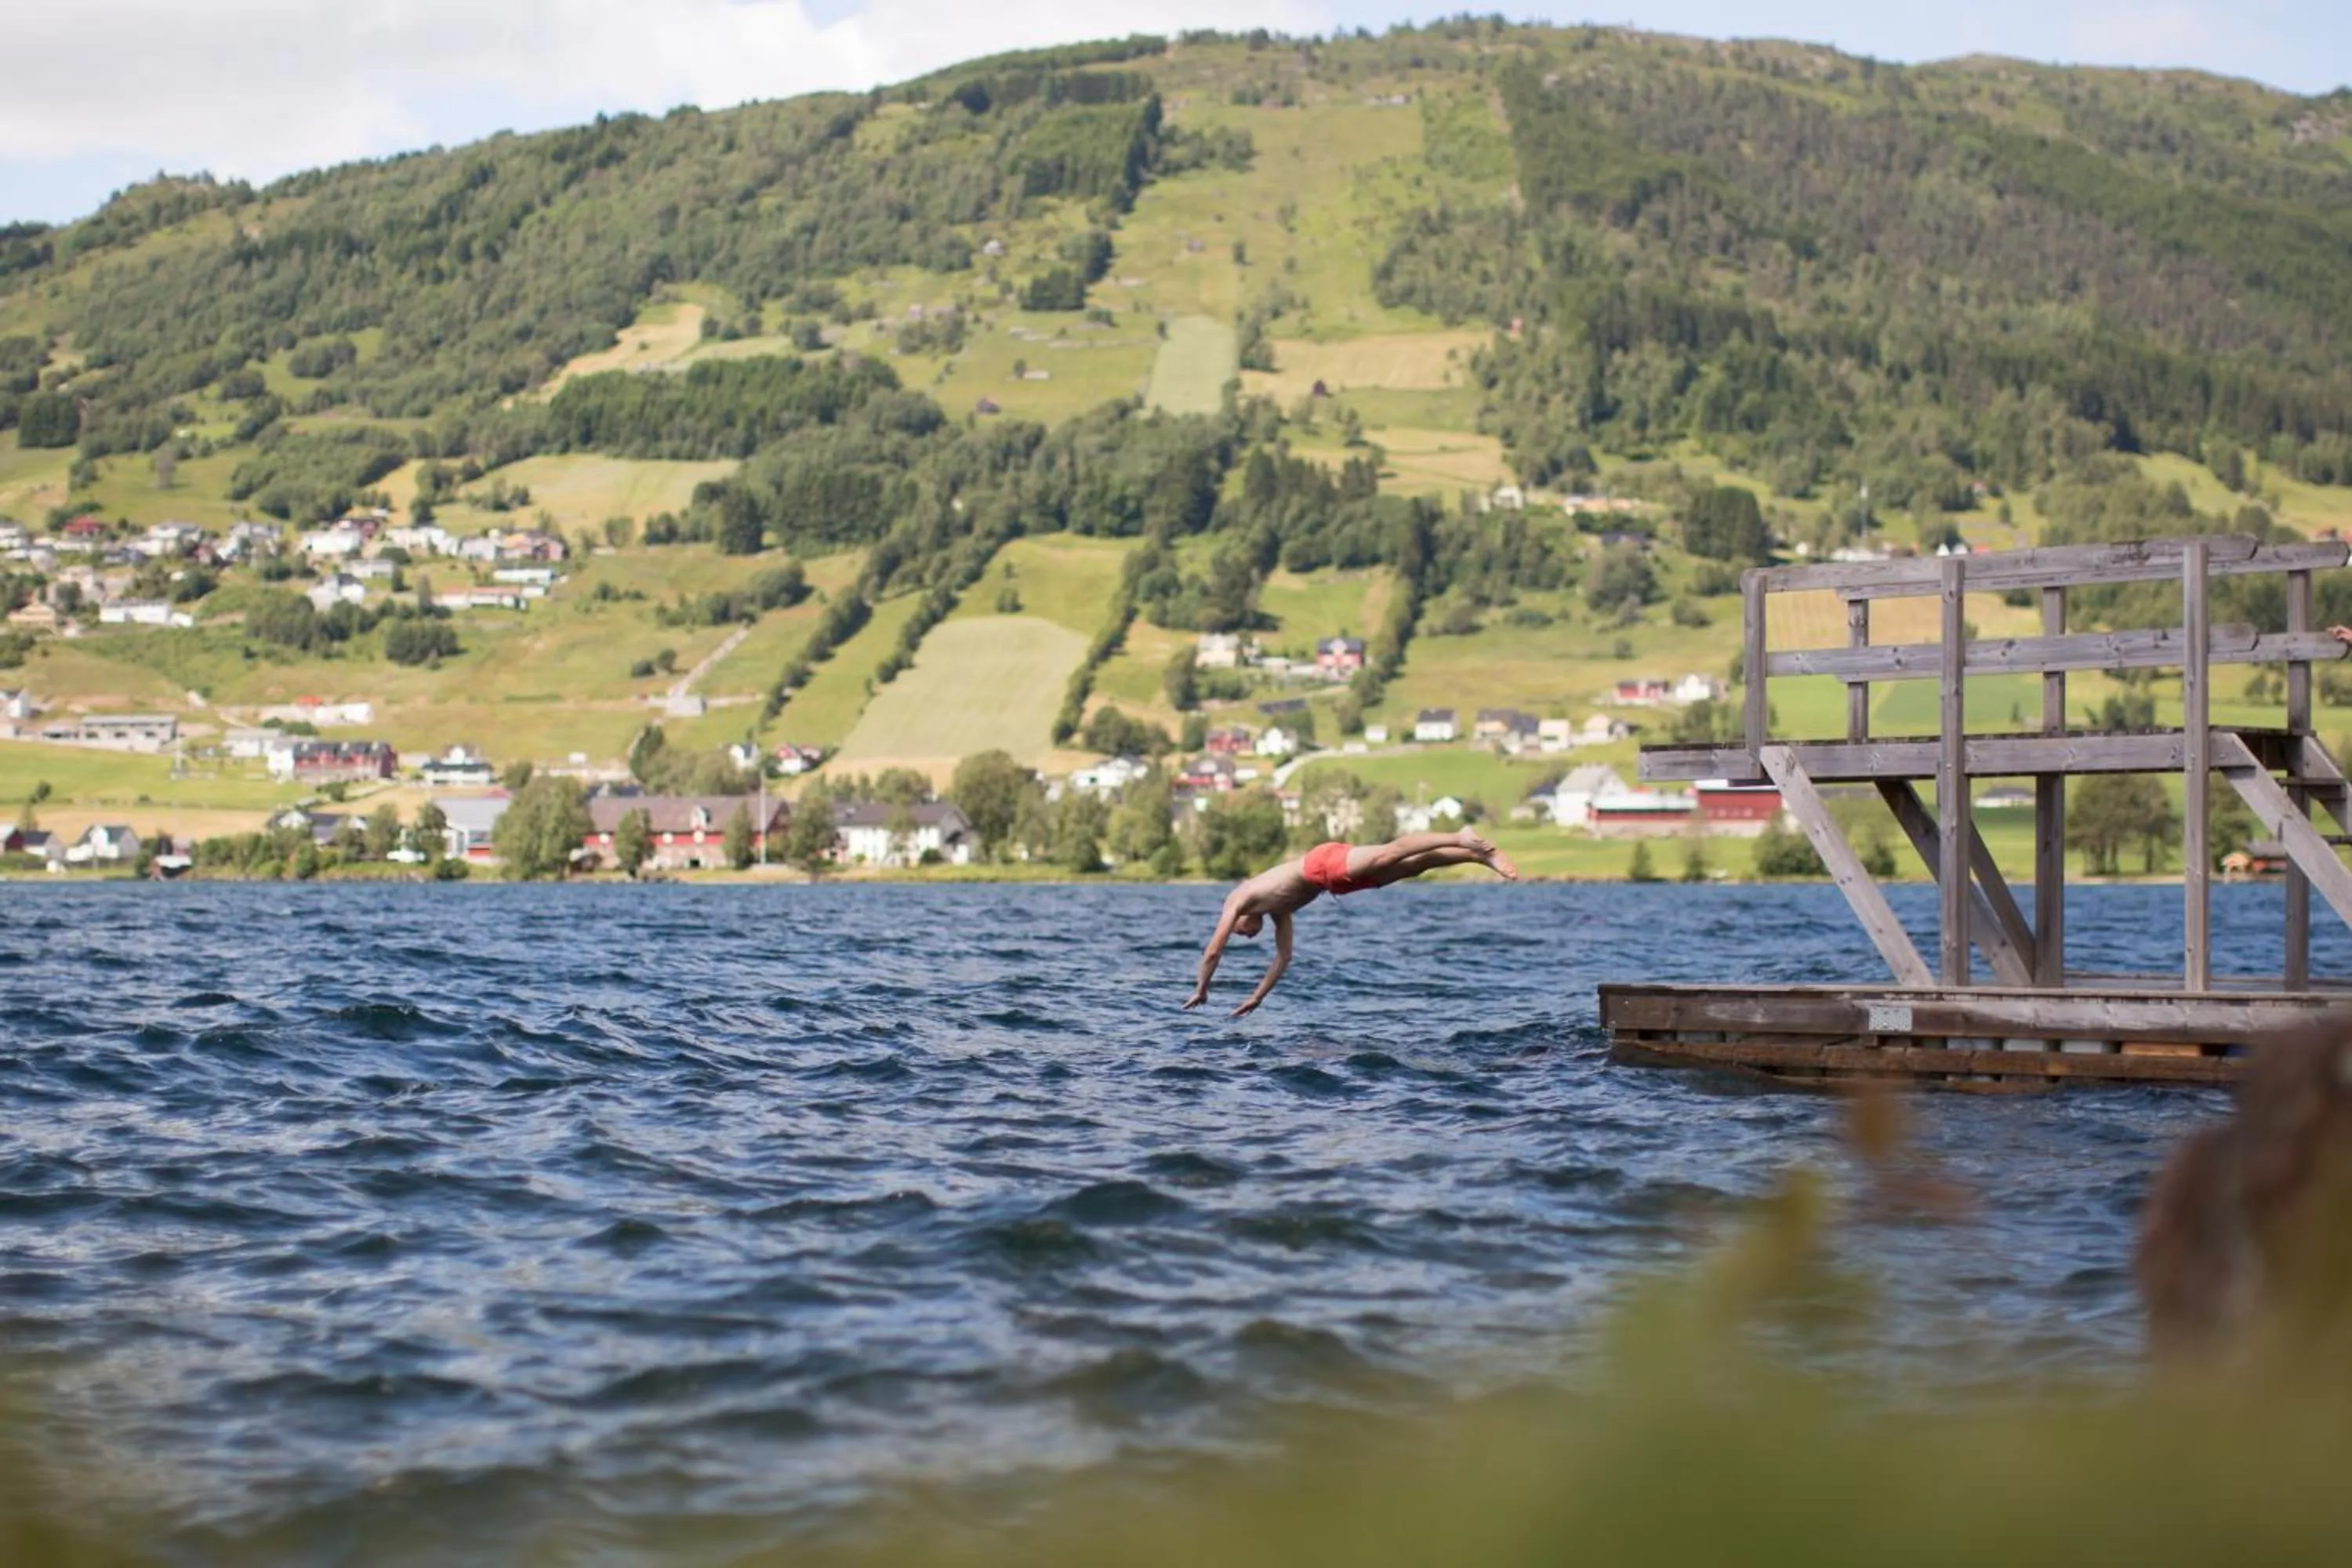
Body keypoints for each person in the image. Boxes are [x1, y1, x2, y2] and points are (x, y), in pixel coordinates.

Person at [1183, 827, 1519, 1017]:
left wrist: (1202, 988)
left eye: (1239, 933)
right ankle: (1478, 857)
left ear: (1237, 919)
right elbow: (1284, 957)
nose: (1245, 936)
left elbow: (1213, 951)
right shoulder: (1277, 910)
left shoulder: (1237, 899)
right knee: (1412, 867)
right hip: (1332, 883)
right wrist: (1258, 998)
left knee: (1391, 853)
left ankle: (1460, 838)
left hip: (1322, 865)